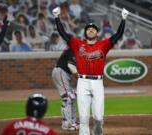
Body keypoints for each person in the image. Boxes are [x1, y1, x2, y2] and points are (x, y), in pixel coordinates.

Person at [52, 7, 129, 135]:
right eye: (88, 29)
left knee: (98, 118)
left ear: (97, 33)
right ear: (85, 33)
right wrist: (56, 17)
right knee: (83, 118)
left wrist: (123, 19)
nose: (91, 30)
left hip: (98, 83)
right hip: (82, 82)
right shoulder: (77, 44)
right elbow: (63, 33)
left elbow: (118, 35)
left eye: (93, 29)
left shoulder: (103, 45)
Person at [52, 48, 78, 130]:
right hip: (61, 72)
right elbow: (70, 66)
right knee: (67, 98)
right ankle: (66, 123)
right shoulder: (75, 49)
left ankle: (73, 122)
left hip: (65, 73)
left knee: (71, 98)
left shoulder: (79, 51)